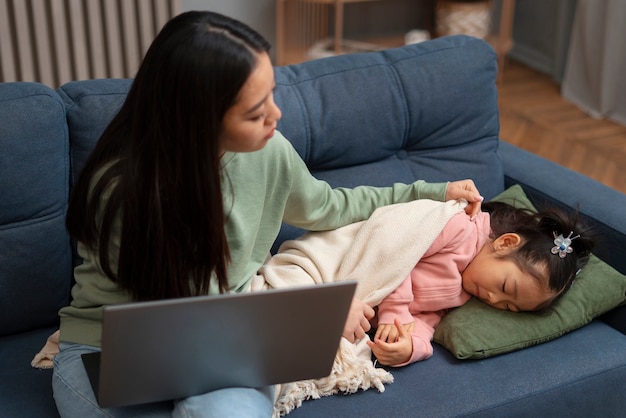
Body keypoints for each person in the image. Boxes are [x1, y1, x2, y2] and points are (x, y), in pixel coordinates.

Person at [51, 10, 484, 418]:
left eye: (271, 95)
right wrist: (319, 317)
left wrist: (430, 190)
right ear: (199, 120)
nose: (275, 116)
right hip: (115, 346)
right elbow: (186, 311)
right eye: (256, 111)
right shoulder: (126, 190)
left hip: (226, 339)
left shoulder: (269, 152)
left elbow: (330, 207)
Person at [366, 201, 595, 367]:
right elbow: (397, 251)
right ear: (505, 243)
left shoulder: (465, 293)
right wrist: (395, 310)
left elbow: (428, 321)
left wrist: (413, 348)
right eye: (505, 288)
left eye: (508, 307)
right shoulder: (459, 229)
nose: (494, 299)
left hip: (360, 312)